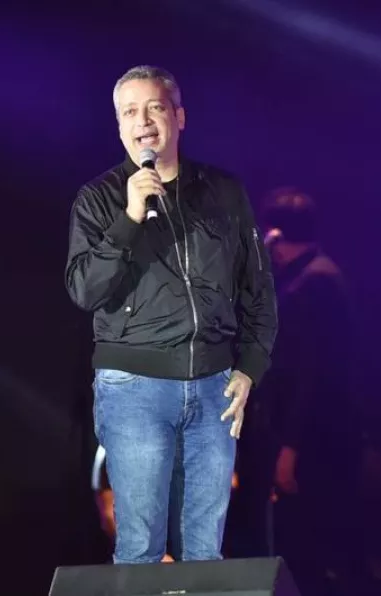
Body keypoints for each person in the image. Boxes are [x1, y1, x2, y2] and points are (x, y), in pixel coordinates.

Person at [64, 65, 278, 564]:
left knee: (204, 551)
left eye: (155, 107)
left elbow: (259, 288)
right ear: (119, 125)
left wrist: (250, 368)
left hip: (214, 387)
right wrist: (129, 219)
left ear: (179, 117)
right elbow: (84, 290)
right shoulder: (99, 199)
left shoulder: (223, 190)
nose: (143, 121)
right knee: (140, 546)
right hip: (133, 389)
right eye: (129, 112)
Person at [225, 188, 361, 592]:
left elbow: (312, 374)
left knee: (310, 547)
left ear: (277, 234)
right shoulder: (306, 277)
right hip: (303, 437)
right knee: (299, 543)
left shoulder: (315, 282)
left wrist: (290, 448)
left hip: (312, 441)